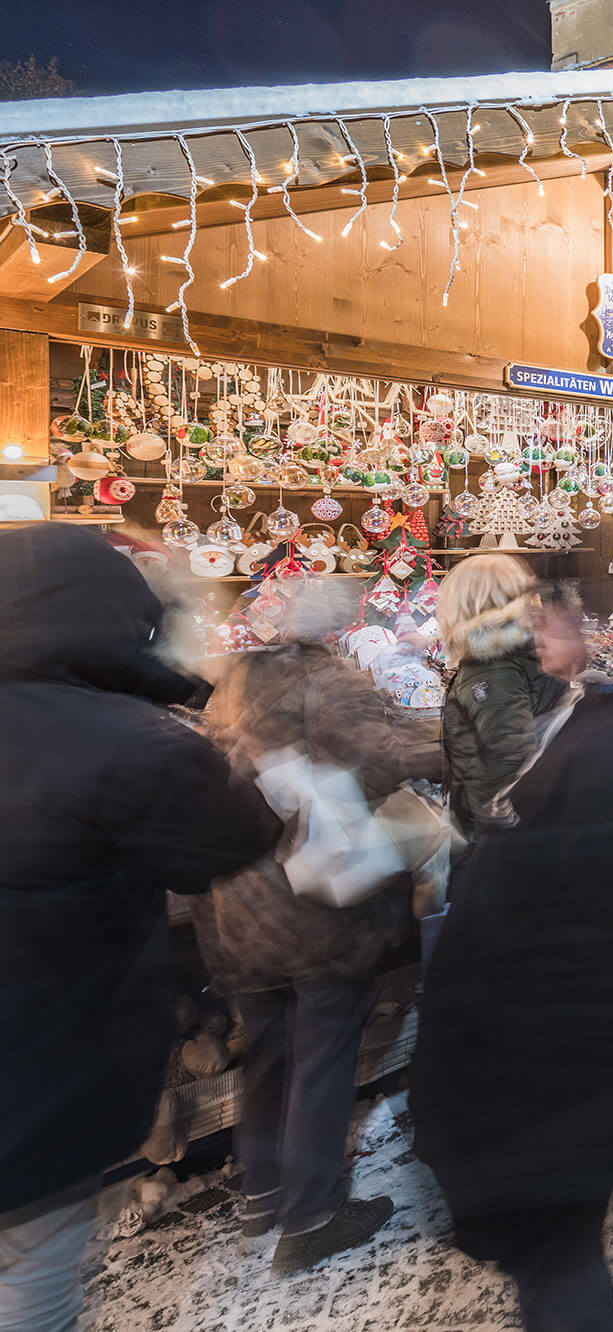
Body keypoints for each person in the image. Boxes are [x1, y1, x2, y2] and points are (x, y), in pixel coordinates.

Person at [411, 641, 613, 1332]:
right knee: (563, 1264)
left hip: (518, 1107)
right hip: (565, 1102)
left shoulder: (532, 849)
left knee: (556, 1267)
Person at [0, 524, 279, 1331]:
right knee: (32, 1289)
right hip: (40, 1081)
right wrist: (182, 685)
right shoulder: (126, 739)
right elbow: (239, 834)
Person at [195, 581, 442, 1272]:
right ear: (345, 623)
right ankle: (313, 1215)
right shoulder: (330, 682)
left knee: (268, 1041)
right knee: (324, 1046)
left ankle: (262, 1190)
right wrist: (459, 750)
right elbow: (388, 755)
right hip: (312, 892)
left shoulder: (236, 677)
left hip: (239, 894)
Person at [437, 554, 572, 835]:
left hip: (494, 829)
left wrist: (492, 835)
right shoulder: (525, 645)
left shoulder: (491, 663)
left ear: (466, 601)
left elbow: (510, 761)